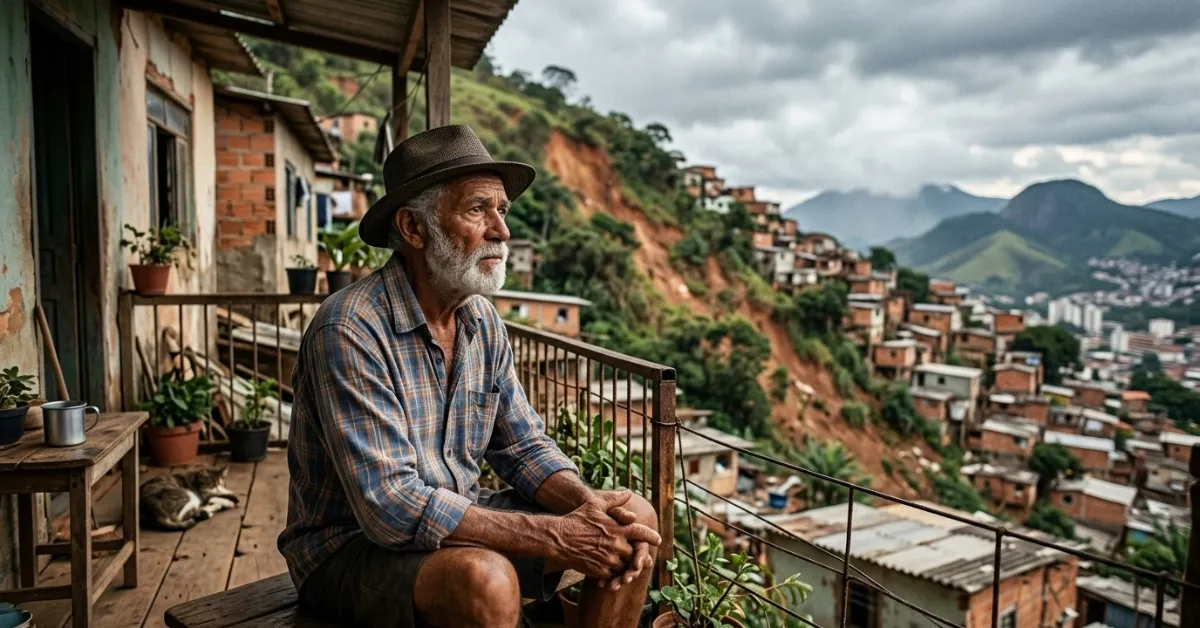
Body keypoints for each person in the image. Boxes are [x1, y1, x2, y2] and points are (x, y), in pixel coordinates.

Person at [278, 125, 661, 628]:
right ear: (415, 229)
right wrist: (558, 537)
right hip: (348, 547)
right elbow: (390, 505)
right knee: (486, 580)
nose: (501, 229)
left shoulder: (481, 321)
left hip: (454, 515)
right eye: (478, 209)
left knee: (633, 519)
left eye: (502, 210)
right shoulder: (349, 327)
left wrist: (591, 512)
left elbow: (523, 447)